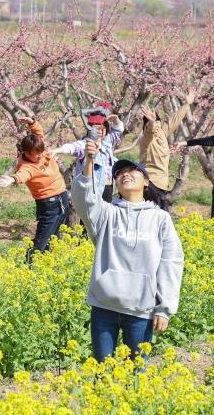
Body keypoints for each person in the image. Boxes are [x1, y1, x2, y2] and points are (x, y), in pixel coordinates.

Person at [72, 140, 184, 363]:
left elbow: (171, 262)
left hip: (141, 310)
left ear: (146, 181)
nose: (125, 174)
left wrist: (164, 308)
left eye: (132, 170)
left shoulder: (160, 218)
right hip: (104, 306)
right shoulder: (106, 214)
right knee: (102, 372)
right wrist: (89, 162)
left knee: (136, 374)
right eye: (119, 173)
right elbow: (84, 200)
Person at [0, 116, 70, 260]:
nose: (41, 156)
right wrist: (12, 179)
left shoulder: (39, 149)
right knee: (42, 239)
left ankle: (48, 264)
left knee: (55, 237)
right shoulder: (26, 166)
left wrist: (32, 122)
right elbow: (22, 175)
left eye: (41, 152)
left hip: (62, 198)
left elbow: (38, 134)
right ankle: (29, 266)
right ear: (27, 153)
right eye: (37, 155)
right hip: (49, 204)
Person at [51, 105, 124, 203]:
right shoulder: (86, 144)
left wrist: (116, 119)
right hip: (91, 189)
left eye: (104, 128)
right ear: (91, 130)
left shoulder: (107, 141)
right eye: (98, 128)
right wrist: (56, 150)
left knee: (106, 215)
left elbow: (118, 129)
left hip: (108, 186)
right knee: (89, 215)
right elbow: (73, 147)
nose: (101, 131)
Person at [138, 90, 196, 212]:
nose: (157, 127)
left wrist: (187, 104)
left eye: (159, 123)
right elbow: (149, 131)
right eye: (154, 124)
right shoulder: (146, 140)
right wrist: (152, 122)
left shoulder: (163, 133)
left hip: (162, 184)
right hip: (150, 183)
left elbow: (175, 120)